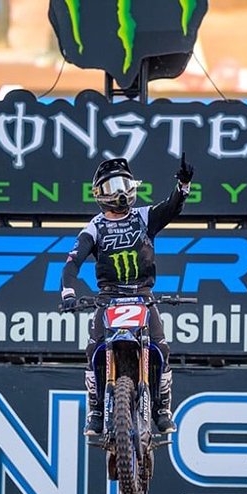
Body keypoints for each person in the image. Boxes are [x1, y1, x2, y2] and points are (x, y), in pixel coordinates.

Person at [61, 156, 194, 436]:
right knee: (93, 350)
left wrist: (183, 185)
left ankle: (162, 410)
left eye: (123, 184)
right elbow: (72, 262)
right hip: (108, 297)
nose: (119, 193)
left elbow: (171, 208)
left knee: (161, 348)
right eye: (111, 187)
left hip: (143, 296)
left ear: (133, 186)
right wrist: (69, 292)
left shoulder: (144, 217)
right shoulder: (94, 227)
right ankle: (96, 410)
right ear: (99, 194)